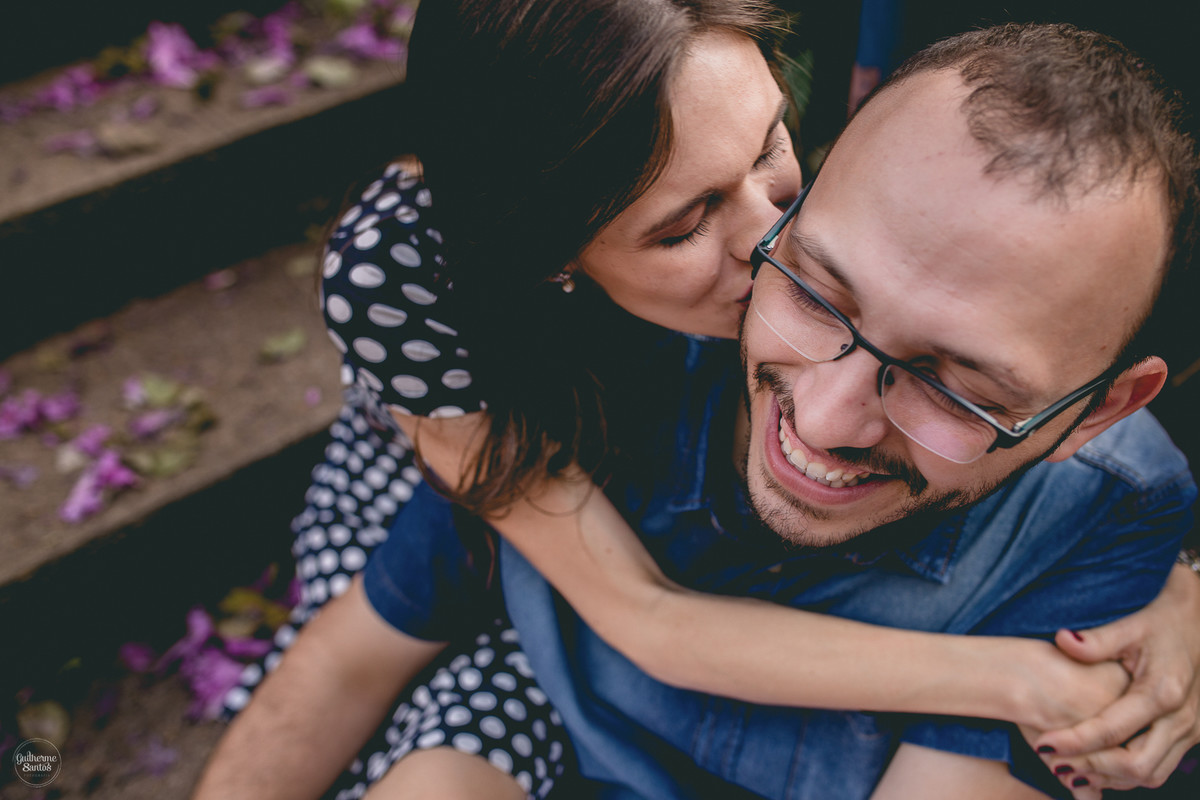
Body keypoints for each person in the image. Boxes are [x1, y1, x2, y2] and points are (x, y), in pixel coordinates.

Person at [194, 4, 1200, 799]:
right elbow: (617, 617)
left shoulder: (1100, 510)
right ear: (566, 265)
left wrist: (1166, 570)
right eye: (819, 286)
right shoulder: (547, 365)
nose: (827, 413)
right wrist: (1011, 677)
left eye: (772, 156)